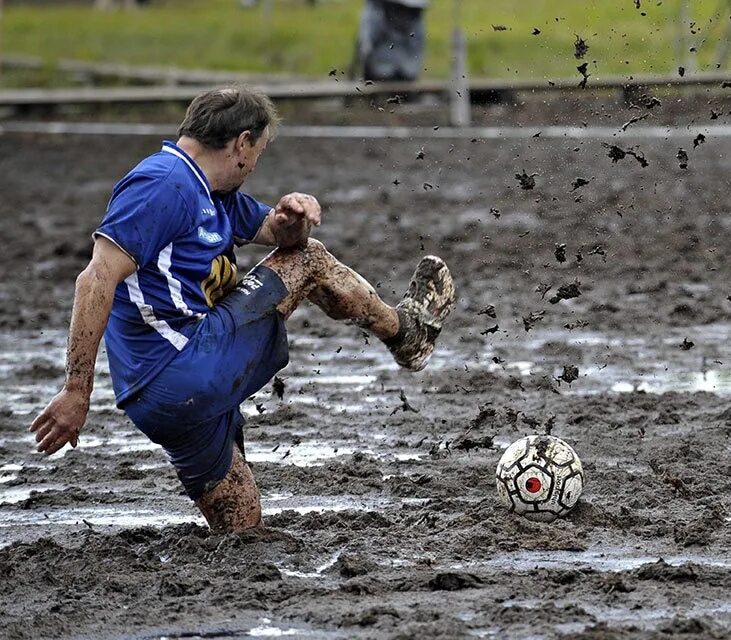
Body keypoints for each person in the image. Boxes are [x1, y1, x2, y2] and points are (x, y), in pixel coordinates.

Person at [29, 87, 455, 532]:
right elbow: (95, 279)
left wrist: (294, 218)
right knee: (311, 261)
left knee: (242, 527)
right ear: (242, 143)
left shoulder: (211, 189)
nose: (256, 164)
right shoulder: (162, 185)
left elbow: (279, 235)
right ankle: (406, 334)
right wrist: (77, 390)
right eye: (260, 152)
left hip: (160, 399)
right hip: (186, 364)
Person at [354, 0, 429, 82]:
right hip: (380, 71)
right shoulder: (376, 13)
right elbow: (366, 45)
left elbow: (417, 46)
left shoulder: (415, 22)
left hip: (406, 72)